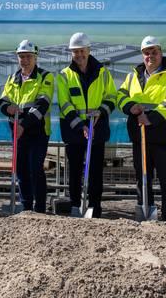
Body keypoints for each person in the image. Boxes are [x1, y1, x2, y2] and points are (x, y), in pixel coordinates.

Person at [117, 36, 166, 222]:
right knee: (143, 179)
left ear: (161, 53)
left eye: (154, 52)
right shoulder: (132, 76)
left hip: (165, 136)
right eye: (146, 53)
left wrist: (152, 117)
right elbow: (120, 95)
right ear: (142, 55)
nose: (150, 56)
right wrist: (130, 106)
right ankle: (145, 212)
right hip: (140, 137)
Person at [57, 32, 116, 218]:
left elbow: (111, 97)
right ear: (71, 53)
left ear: (89, 50)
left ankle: (95, 208)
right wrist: (80, 126)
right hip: (74, 131)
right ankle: (75, 205)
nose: (79, 55)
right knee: (74, 171)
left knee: (95, 172)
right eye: (75, 51)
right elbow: (64, 104)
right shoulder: (64, 75)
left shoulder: (103, 73)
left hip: (97, 129)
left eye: (82, 51)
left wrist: (101, 112)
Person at [0, 40, 54, 213]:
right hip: (17, 132)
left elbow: (42, 104)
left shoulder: (45, 76)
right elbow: (2, 100)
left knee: (35, 168)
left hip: (38, 131)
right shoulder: (12, 79)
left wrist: (23, 124)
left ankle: (40, 207)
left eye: (28, 56)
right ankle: (26, 206)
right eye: (22, 57)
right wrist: (7, 108)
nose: (25, 60)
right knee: (21, 170)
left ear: (35, 57)